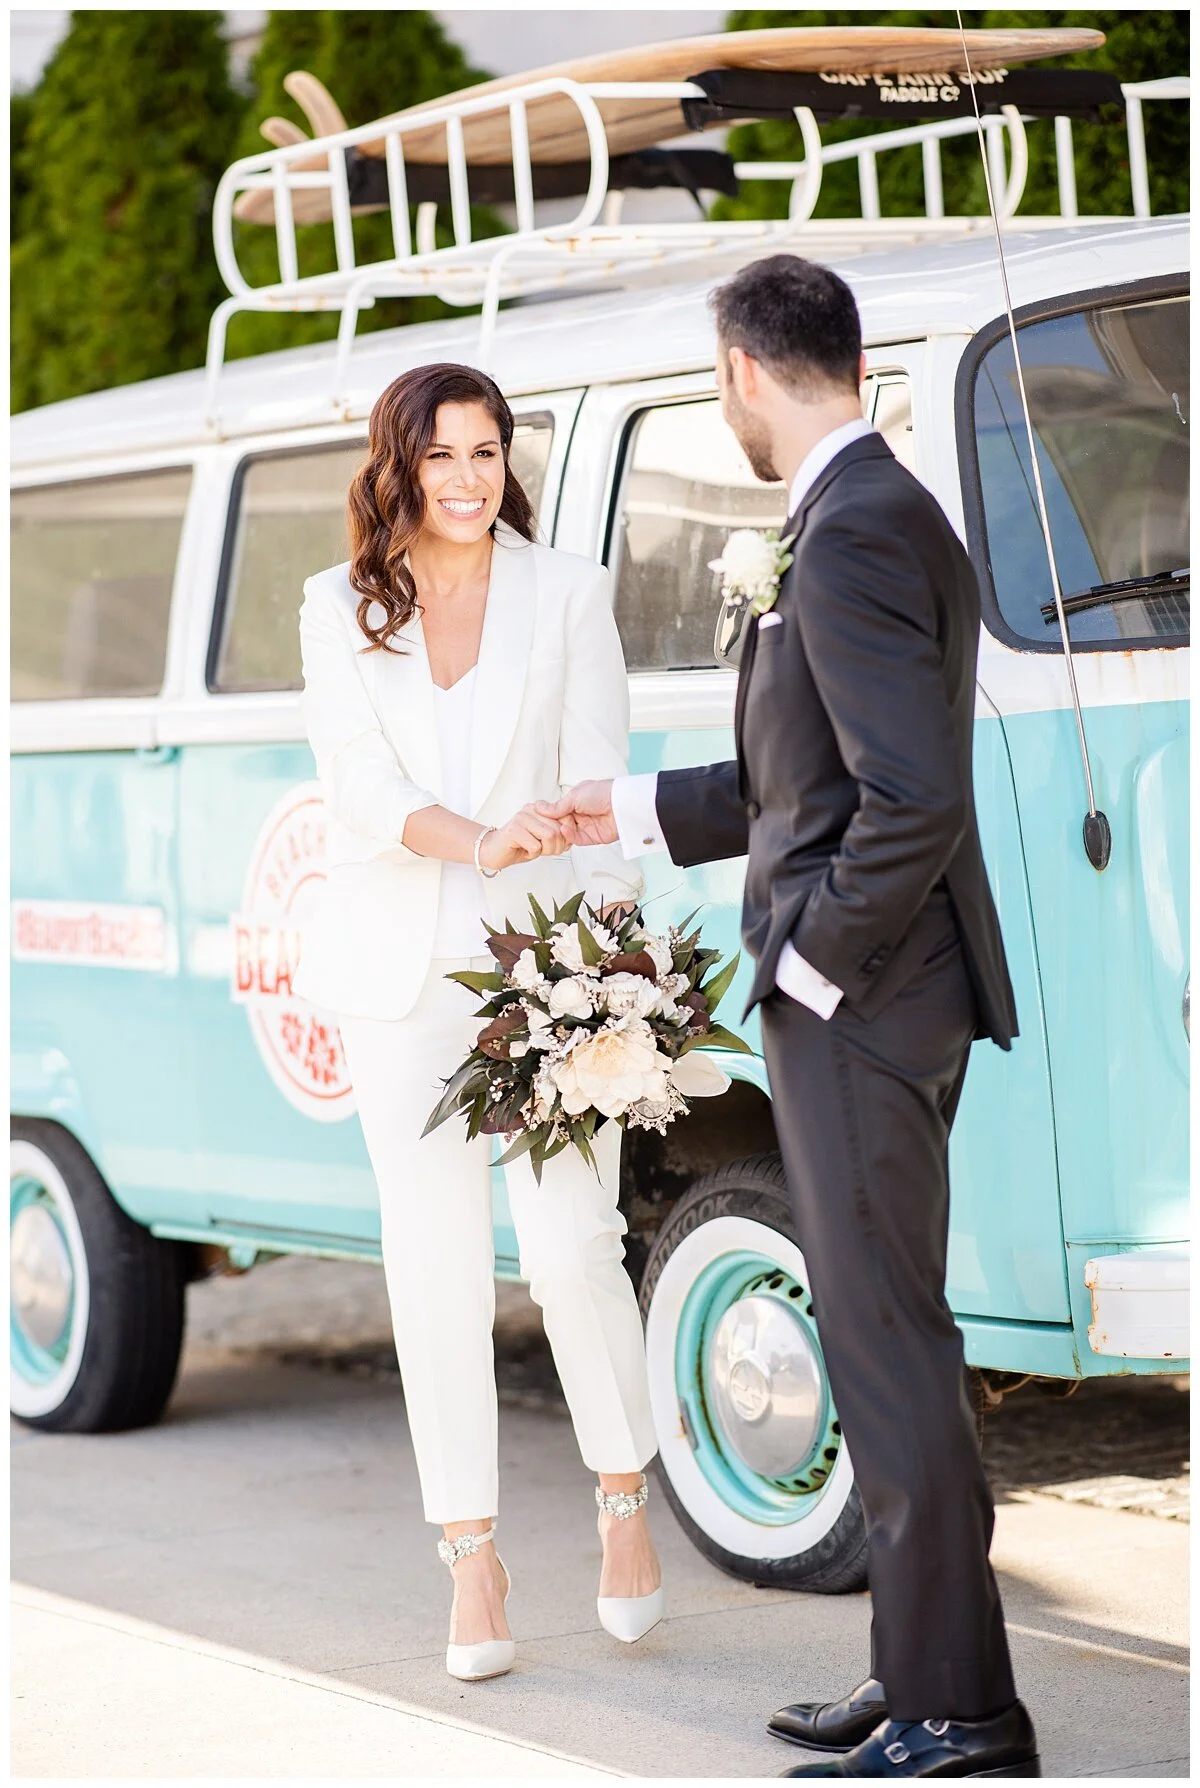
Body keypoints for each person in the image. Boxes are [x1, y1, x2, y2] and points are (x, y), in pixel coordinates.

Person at [543, 256, 1040, 1778]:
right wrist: (623, 807)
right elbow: (800, 778)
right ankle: (921, 1673)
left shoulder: (854, 528)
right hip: (886, 996)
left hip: (866, 1005)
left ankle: (965, 1715)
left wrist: (812, 968)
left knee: (888, 1345)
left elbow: (911, 800)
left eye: (720, 381)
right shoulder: (864, 510)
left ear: (746, 371)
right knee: (882, 1336)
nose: (725, 405)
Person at [295, 362, 663, 1684]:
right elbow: (357, 785)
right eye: (441, 455)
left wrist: (617, 972)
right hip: (400, 982)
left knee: (571, 1249)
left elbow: (601, 788)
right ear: (397, 466)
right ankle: (471, 1555)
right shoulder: (336, 604)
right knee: (434, 1268)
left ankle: (624, 1498)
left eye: (487, 452)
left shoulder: (566, 593)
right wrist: (479, 838)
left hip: (548, 975)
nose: (467, 478)